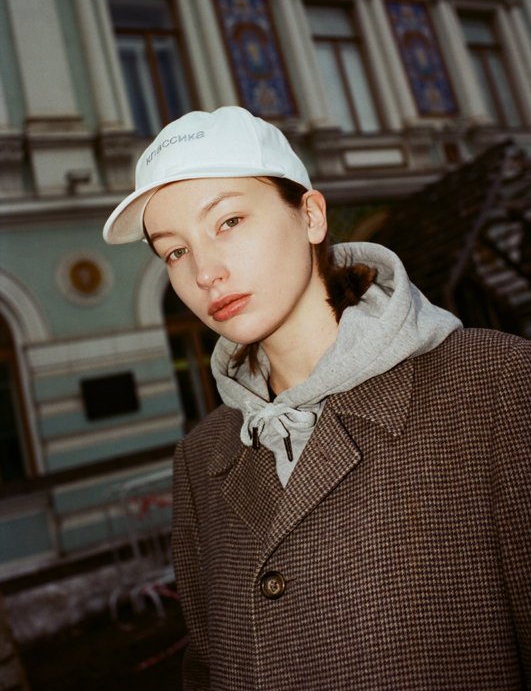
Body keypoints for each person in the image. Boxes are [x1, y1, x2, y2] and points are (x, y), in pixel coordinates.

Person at [104, 106, 530, 691]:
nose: (204, 272)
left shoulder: (496, 385)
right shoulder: (201, 460)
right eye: (174, 251)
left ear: (310, 216)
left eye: (228, 221)